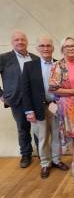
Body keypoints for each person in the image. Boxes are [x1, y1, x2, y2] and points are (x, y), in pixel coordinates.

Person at [22, 36, 69, 179]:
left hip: (56, 106)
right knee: (42, 137)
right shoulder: (30, 66)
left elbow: (65, 85)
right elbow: (25, 90)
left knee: (56, 134)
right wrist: (29, 111)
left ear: (53, 48)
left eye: (48, 46)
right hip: (38, 108)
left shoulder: (60, 65)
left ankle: (56, 160)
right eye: (42, 46)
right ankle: (45, 163)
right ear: (37, 48)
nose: (45, 48)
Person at [49, 37, 74, 180]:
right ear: (62, 49)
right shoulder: (58, 66)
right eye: (67, 46)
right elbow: (53, 89)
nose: (71, 48)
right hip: (70, 105)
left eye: (73, 45)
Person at [0, 31, 39, 168]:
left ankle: (42, 153)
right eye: (17, 40)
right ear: (12, 42)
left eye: (22, 39)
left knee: (38, 127)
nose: (20, 42)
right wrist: (1, 95)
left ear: (27, 41)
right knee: (23, 128)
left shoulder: (35, 58)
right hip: (17, 99)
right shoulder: (4, 58)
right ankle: (26, 154)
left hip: (35, 99)